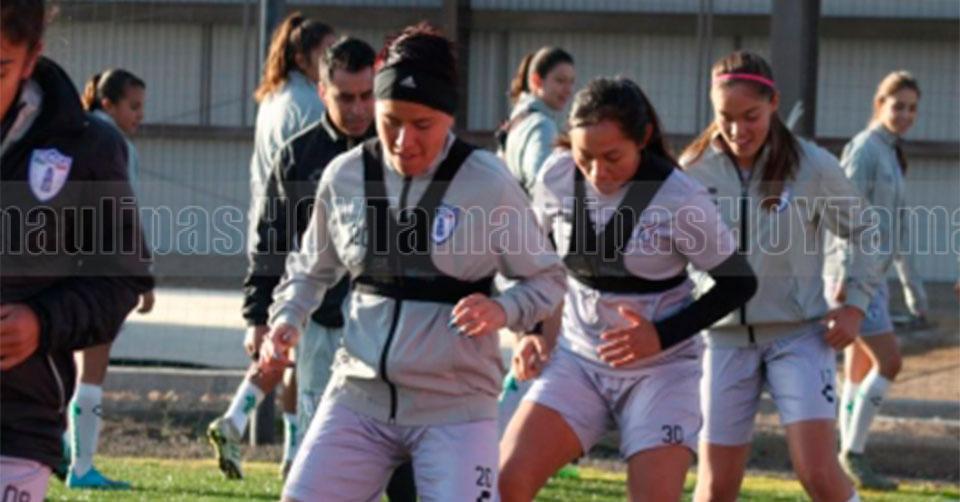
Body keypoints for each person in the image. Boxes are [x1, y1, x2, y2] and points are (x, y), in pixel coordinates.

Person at [259, 23, 566, 501]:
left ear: (448, 117)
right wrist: (286, 318)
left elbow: (547, 280)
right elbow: (309, 268)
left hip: (455, 409)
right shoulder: (345, 176)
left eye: (422, 125)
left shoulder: (488, 182)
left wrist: (503, 310)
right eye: (391, 121)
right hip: (358, 397)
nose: (404, 141)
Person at [498, 77, 757, 502]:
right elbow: (533, 263)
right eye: (585, 156)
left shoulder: (680, 197)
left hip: (663, 372)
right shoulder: (557, 175)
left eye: (613, 157)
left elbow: (739, 283)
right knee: (505, 481)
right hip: (578, 362)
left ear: (643, 138)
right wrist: (531, 330)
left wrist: (660, 335)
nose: (597, 171)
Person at [681, 50, 883, 502]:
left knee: (818, 475)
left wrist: (855, 305)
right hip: (721, 340)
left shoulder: (812, 165)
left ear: (773, 103)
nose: (738, 130)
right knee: (714, 488)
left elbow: (866, 231)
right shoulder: (693, 169)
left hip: (799, 337)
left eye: (750, 116)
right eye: (725, 117)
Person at [0, 0, 154, 499]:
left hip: (15, 424)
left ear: (31, 57)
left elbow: (121, 277)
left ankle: (83, 458)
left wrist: (41, 323)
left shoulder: (85, 148)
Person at [211, 12, 335, 480]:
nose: (332, 60)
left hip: (271, 229)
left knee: (292, 345)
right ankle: (292, 449)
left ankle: (247, 425)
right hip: (300, 238)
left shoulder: (273, 99)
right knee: (306, 342)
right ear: (303, 57)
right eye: (326, 52)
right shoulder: (310, 104)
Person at [54, 68, 156, 490]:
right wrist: (141, 273)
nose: (140, 115)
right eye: (134, 106)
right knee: (92, 370)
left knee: (58, 367)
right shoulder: (111, 142)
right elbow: (122, 213)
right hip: (99, 270)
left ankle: (60, 449)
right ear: (108, 104)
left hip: (60, 267)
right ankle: (82, 468)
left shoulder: (69, 134)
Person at [826, 70, 928, 490]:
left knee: (860, 367)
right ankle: (852, 454)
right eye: (898, 106)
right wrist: (844, 277)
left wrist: (911, 288)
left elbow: (896, 231)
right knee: (891, 362)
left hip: (875, 279)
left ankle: (846, 453)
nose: (905, 115)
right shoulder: (866, 149)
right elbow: (842, 214)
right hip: (856, 280)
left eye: (912, 108)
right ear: (879, 104)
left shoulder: (891, 153)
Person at [497, 46, 575, 194]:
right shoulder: (541, 126)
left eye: (571, 82)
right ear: (537, 81)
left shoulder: (516, 120)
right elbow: (543, 189)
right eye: (560, 81)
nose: (569, 90)